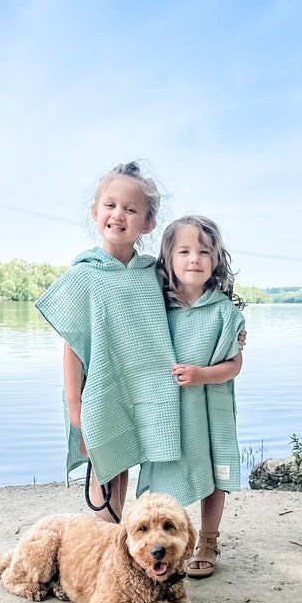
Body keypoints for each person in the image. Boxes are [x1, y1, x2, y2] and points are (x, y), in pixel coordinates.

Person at [35, 162, 181, 522]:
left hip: (146, 385)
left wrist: (234, 331)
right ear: (95, 212)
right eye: (110, 205)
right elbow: (73, 342)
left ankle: (125, 536)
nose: (118, 215)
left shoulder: (153, 274)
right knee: (105, 461)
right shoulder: (85, 274)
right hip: (99, 388)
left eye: (131, 209)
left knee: (133, 458)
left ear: (147, 222)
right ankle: (105, 536)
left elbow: (188, 310)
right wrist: (74, 402)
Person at [137, 215, 245, 577]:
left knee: (215, 473)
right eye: (183, 251)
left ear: (216, 260)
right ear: (168, 260)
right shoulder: (155, 309)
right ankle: (160, 544)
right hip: (168, 412)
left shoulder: (224, 312)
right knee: (166, 472)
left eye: (203, 251)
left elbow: (234, 365)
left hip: (210, 408)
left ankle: (209, 540)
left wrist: (202, 375)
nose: (194, 259)